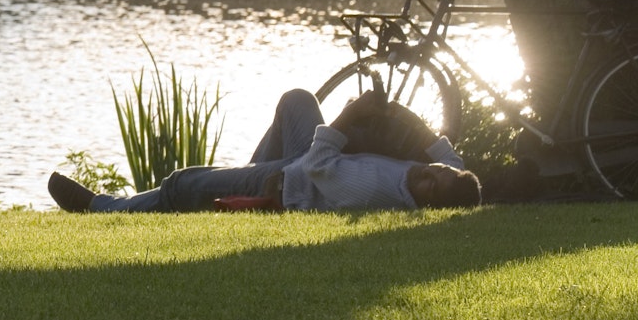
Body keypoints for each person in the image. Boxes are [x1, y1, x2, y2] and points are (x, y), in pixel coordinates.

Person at [49, 89, 482, 213]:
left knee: (184, 185)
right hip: (311, 167)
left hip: (295, 181)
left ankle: (105, 208)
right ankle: (243, 187)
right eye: (434, 172)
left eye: (428, 185)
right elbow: (451, 160)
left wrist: (349, 115)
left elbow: (316, 164)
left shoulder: (373, 189)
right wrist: (416, 124)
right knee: (296, 101)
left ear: (429, 204)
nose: (424, 174)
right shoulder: (444, 177)